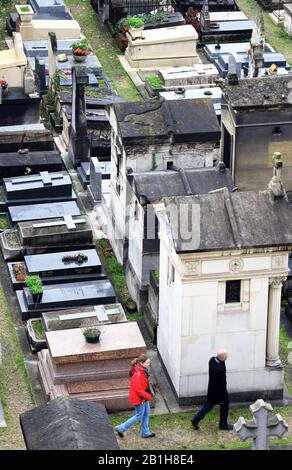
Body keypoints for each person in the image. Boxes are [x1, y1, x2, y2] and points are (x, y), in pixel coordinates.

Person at [115, 354, 155, 439]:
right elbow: (138, 390)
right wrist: (148, 396)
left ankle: (145, 432)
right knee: (139, 415)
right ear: (142, 363)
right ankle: (121, 428)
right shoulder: (137, 374)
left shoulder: (142, 370)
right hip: (139, 398)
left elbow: (144, 385)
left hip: (143, 397)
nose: (149, 364)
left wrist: (148, 393)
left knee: (146, 413)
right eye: (147, 363)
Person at [191, 349, 233, 431]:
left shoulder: (212, 360)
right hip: (219, 393)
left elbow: (221, 361)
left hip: (211, 391)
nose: (227, 357)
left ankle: (195, 420)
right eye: (226, 356)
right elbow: (222, 385)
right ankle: (223, 424)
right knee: (225, 406)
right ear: (223, 357)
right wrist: (221, 398)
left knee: (208, 406)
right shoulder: (219, 370)